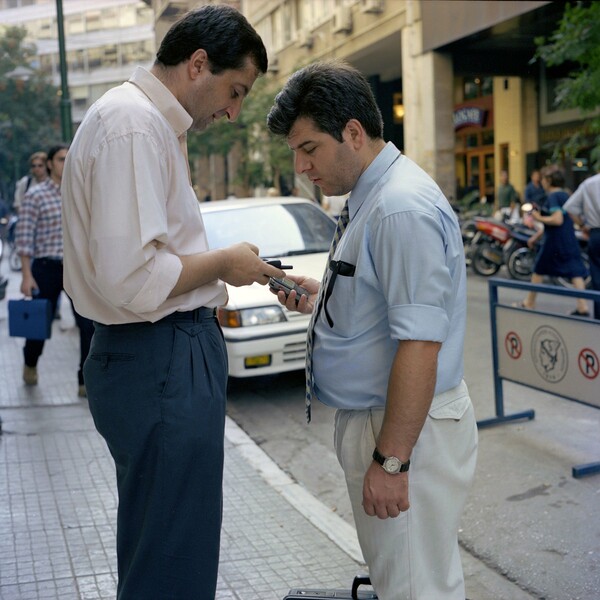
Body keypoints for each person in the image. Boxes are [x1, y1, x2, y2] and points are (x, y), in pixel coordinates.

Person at [60, 6, 284, 599]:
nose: (234, 111)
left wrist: (232, 270)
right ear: (197, 63)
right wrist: (225, 263)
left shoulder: (147, 125)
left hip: (159, 355)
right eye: (235, 92)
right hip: (159, 356)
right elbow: (131, 275)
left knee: (162, 544)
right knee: (171, 561)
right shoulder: (134, 125)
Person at [266, 60, 478, 600]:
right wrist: (325, 300)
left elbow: (420, 341)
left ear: (354, 134)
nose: (301, 166)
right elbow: (386, 306)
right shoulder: (375, 196)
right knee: (406, 578)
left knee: (413, 587)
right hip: (391, 423)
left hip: (403, 430)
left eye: (309, 148)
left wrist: (391, 460)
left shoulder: (397, 208)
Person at [14, 144, 94, 395]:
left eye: (69, 159)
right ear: (50, 164)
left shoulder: (80, 192)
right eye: (61, 159)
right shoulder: (35, 195)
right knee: (39, 324)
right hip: (45, 268)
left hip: (76, 268)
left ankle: (84, 379)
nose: (65, 163)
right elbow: (25, 238)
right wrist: (27, 276)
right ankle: (30, 362)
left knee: (88, 324)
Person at [519, 165, 589, 315]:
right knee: (575, 271)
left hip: (554, 241)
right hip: (568, 239)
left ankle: (529, 302)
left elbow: (557, 220)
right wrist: (536, 236)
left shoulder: (553, 197)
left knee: (539, 269)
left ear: (549, 181)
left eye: (544, 178)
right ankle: (582, 306)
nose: (542, 182)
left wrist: (538, 218)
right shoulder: (565, 194)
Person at [564, 172, 600, 319]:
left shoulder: (589, 183)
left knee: (597, 278)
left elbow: (569, 207)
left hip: (596, 235)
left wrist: (582, 225)